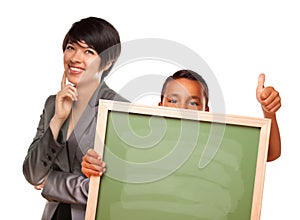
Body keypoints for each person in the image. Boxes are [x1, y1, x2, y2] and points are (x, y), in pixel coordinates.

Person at [81, 69, 281, 178]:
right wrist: (91, 166)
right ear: (160, 106)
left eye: (193, 103)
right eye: (173, 101)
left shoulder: (216, 146)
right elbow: (104, 166)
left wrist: (268, 112)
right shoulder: (138, 143)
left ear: (206, 111)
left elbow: (270, 153)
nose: (182, 109)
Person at [22, 17, 128, 220]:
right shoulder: (53, 104)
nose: (75, 58)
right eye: (71, 48)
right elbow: (32, 173)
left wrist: (51, 182)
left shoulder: (120, 109)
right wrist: (58, 119)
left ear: (108, 61)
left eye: (89, 51)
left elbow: (114, 189)